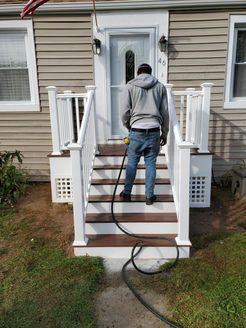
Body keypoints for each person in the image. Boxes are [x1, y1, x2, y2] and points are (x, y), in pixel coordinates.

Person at [120, 63, 169, 205]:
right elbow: (165, 112)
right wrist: (164, 133)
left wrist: (128, 126)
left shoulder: (130, 86)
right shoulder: (160, 87)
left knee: (132, 163)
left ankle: (127, 193)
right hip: (154, 130)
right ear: (150, 73)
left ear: (138, 73)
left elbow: (124, 111)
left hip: (136, 130)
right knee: (151, 164)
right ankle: (149, 196)